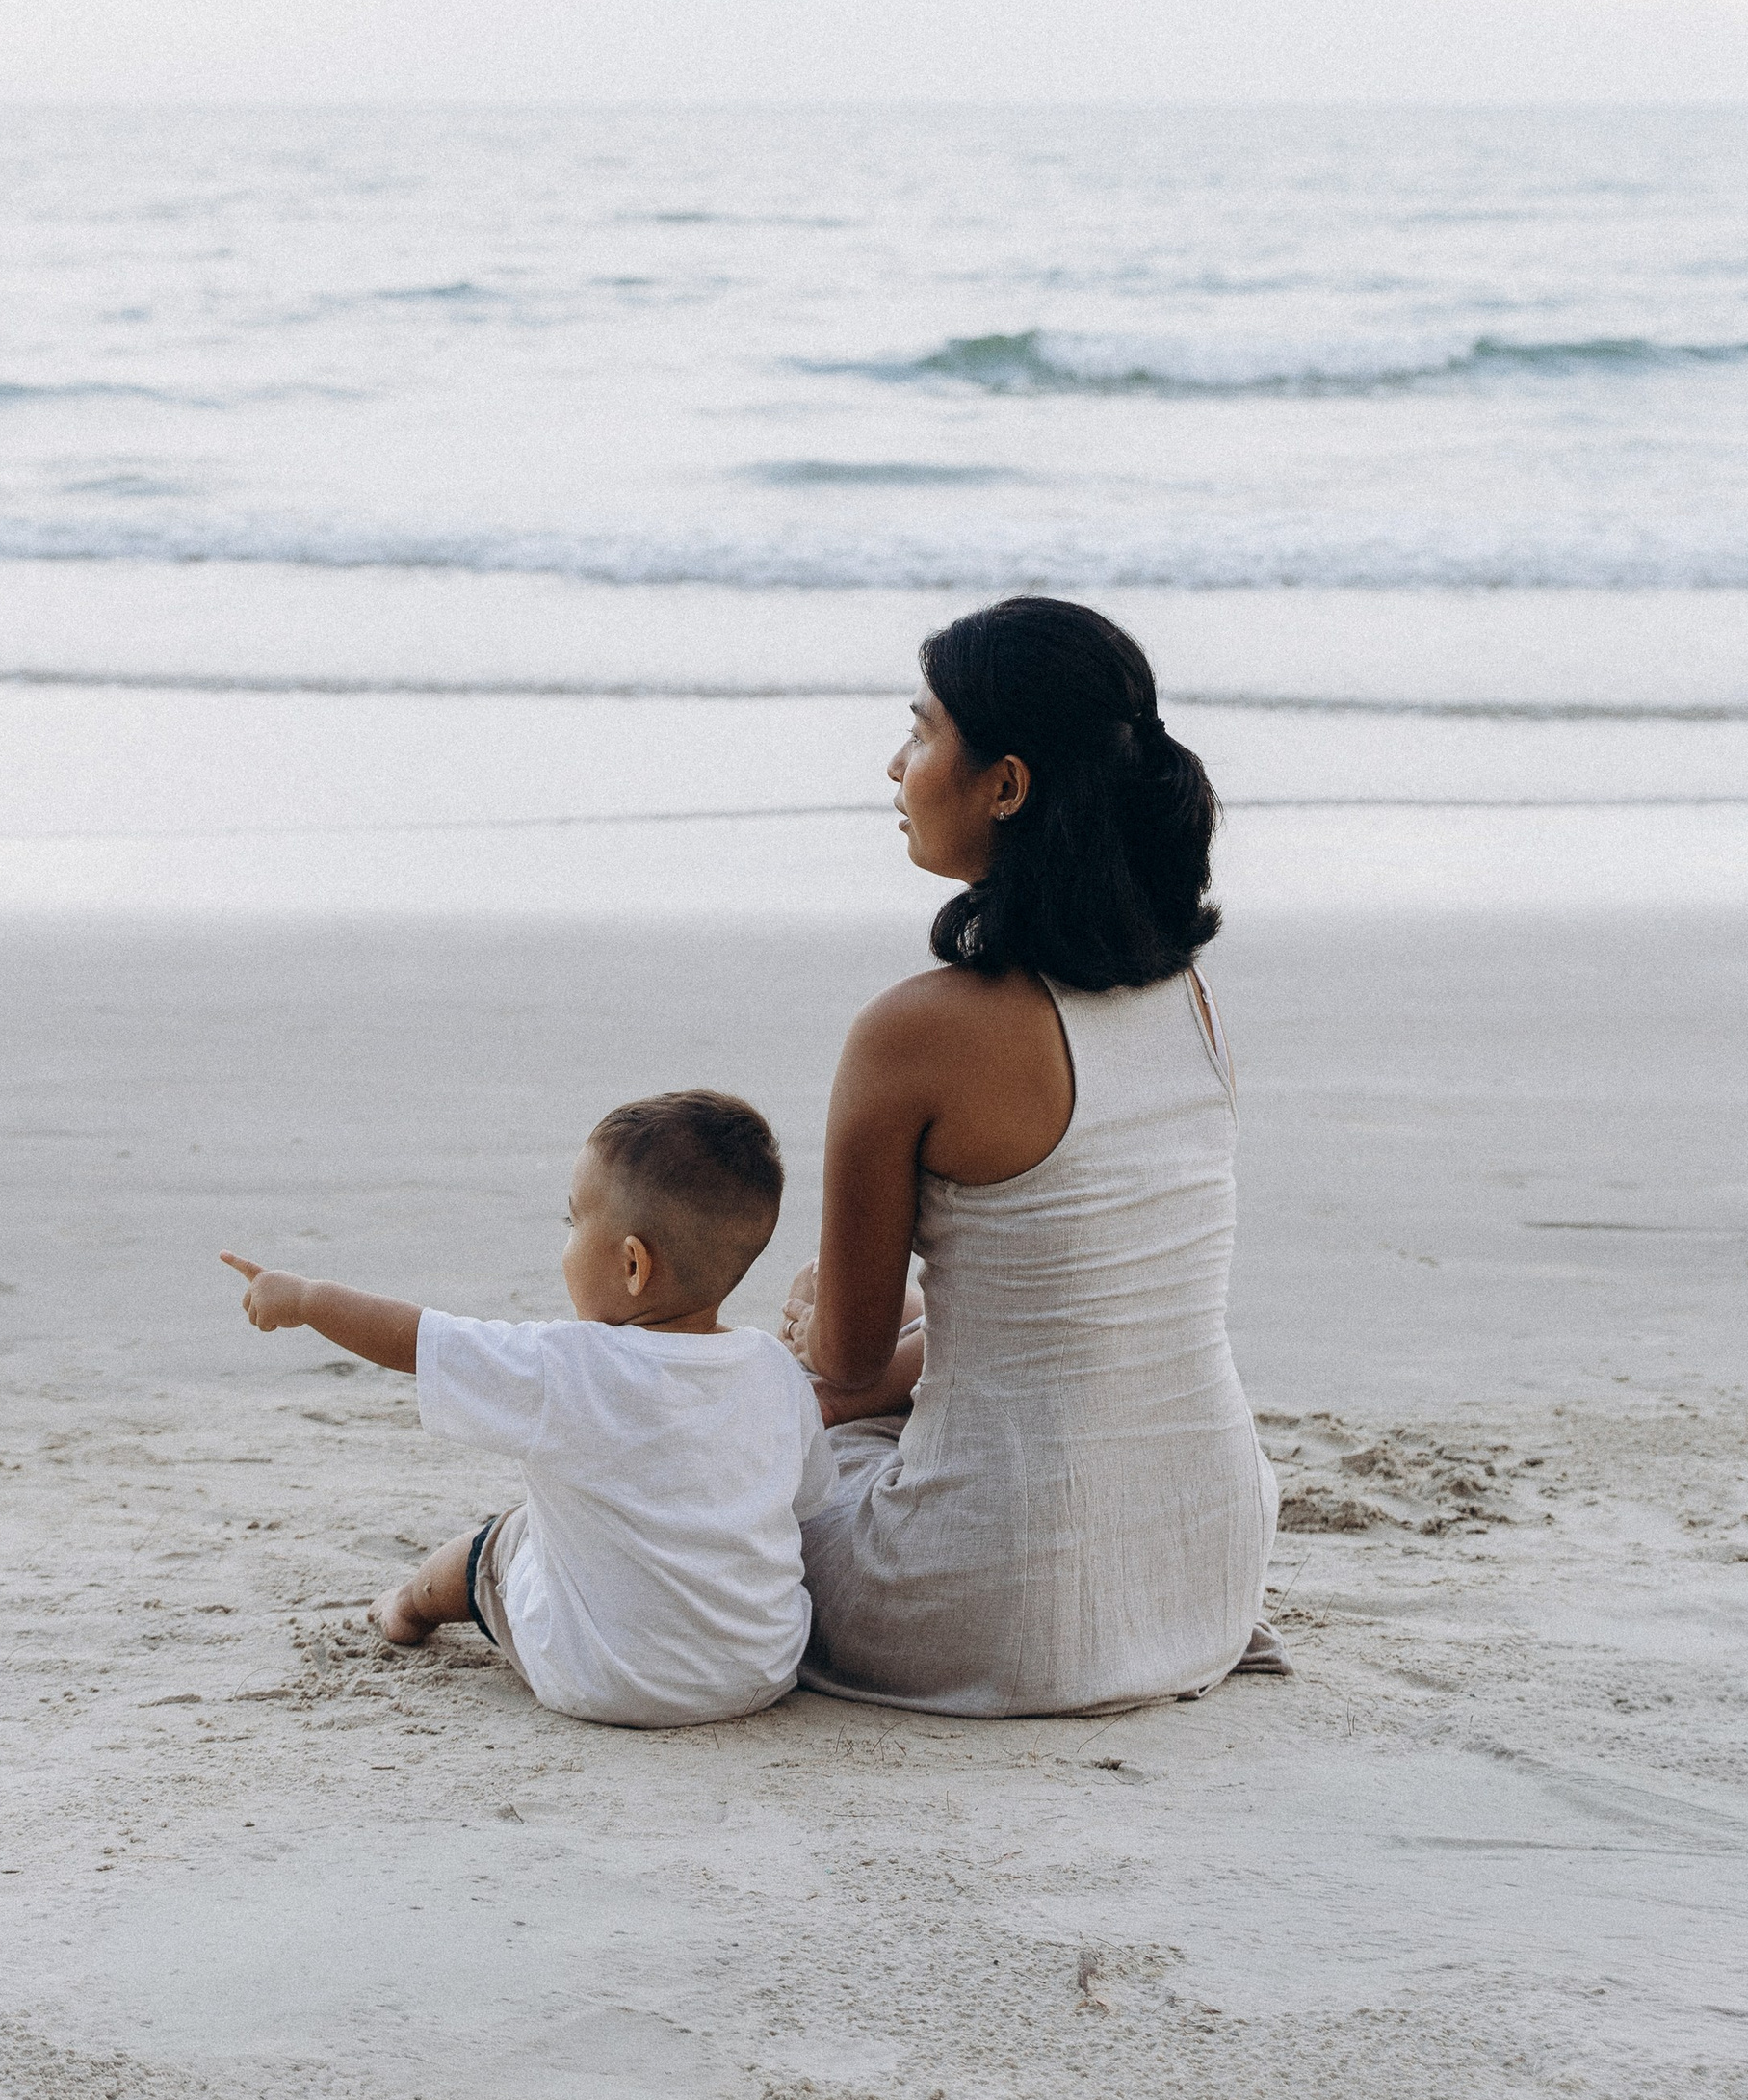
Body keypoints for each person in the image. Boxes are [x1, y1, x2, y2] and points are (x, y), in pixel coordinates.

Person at [781, 595, 1283, 1715]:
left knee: (711, 1494)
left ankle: (478, 1571)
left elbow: (845, 1365)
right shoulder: (1190, 999)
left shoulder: (913, 1031)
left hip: (995, 1602)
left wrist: (811, 1317)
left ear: (1004, 783)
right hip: (1204, 1570)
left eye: (920, 731)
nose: (895, 764)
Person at [222, 1089, 840, 1728]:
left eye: (572, 1222)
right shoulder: (774, 1369)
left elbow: (419, 1340)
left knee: (503, 1542)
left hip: (610, 1681)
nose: (567, 1242)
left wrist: (307, 1299)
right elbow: (807, 1501)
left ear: (632, 1265)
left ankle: (408, 1604)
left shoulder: (567, 1363)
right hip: (759, 1671)